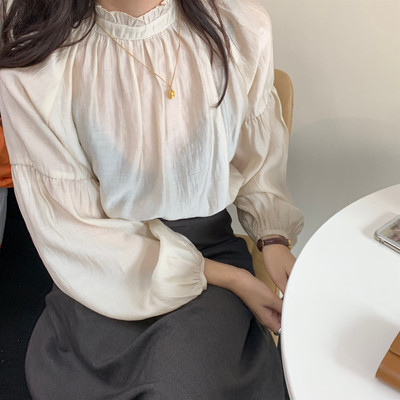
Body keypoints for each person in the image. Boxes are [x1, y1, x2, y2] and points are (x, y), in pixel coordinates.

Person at [0, 0, 304, 398]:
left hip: (205, 249)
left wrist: (272, 237)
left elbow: (257, 158)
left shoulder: (240, 28)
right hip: (101, 265)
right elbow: (69, 223)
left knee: (183, 384)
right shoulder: (37, 63)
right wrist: (233, 278)